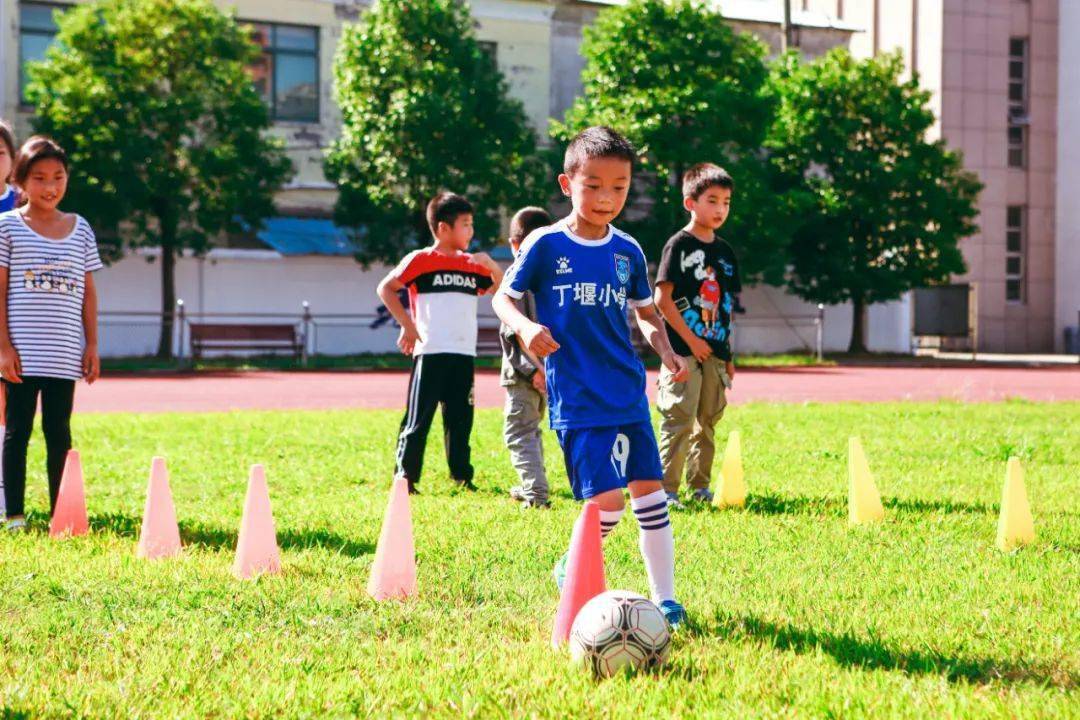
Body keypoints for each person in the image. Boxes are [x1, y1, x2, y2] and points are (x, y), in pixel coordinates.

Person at [493, 126, 690, 628]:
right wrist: (524, 327)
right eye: (594, 185)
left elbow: (646, 311)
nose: (607, 198)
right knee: (607, 502)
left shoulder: (628, 250)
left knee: (650, 491)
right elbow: (503, 298)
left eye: (619, 187)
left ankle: (665, 599)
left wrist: (665, 348)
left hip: (626, 388)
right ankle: (574, 564)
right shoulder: (544, 244)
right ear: (567, 184)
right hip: (576, 396)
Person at [0, 136, 103, 532]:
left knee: (59, 432)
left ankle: (62, 515)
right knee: (17, 432)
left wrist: (91, 344)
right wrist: (4, 347)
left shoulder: (80, 229)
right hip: (21, 356)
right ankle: (15, 515)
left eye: (58, 177)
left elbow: (88, 292)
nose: (50, 187)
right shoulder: (8, 227)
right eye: (40, 178)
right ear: (21, 181)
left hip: (62, 354)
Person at [376, 192, 502, 494]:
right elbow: (386, 289)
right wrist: (408, 326)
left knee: (461, 420)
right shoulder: (421, 260)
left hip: (463, 352)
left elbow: (501, 288)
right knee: (419, 418)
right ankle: (405, 478)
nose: (471, 231)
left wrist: (492, 266)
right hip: (430, 351)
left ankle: (461, 476)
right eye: (466, 225)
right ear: (443, 228)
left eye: (472, 225)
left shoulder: (472, 265)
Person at [653, 162, 741, 508]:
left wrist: (728, 355)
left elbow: (726, 308)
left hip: (715, 353)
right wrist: (691, 342)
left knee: (707, 422)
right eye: (712, 200)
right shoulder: (678, 246)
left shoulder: (726, 253)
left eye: (727, 202)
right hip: (683, 352)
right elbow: (662, 299)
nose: (720, 209)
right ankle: (666, 490)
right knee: (679, 420)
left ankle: (699, 486)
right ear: (690, 202)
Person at [501, 206, 554, 509]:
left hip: (525, 371)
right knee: (532, 430)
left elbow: (517, 331)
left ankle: (536, 494)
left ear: (514, 244)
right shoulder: (552, 276)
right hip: (547, 369)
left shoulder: (516, 278)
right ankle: (531, 485)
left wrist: (535, 369)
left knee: (520, 431)